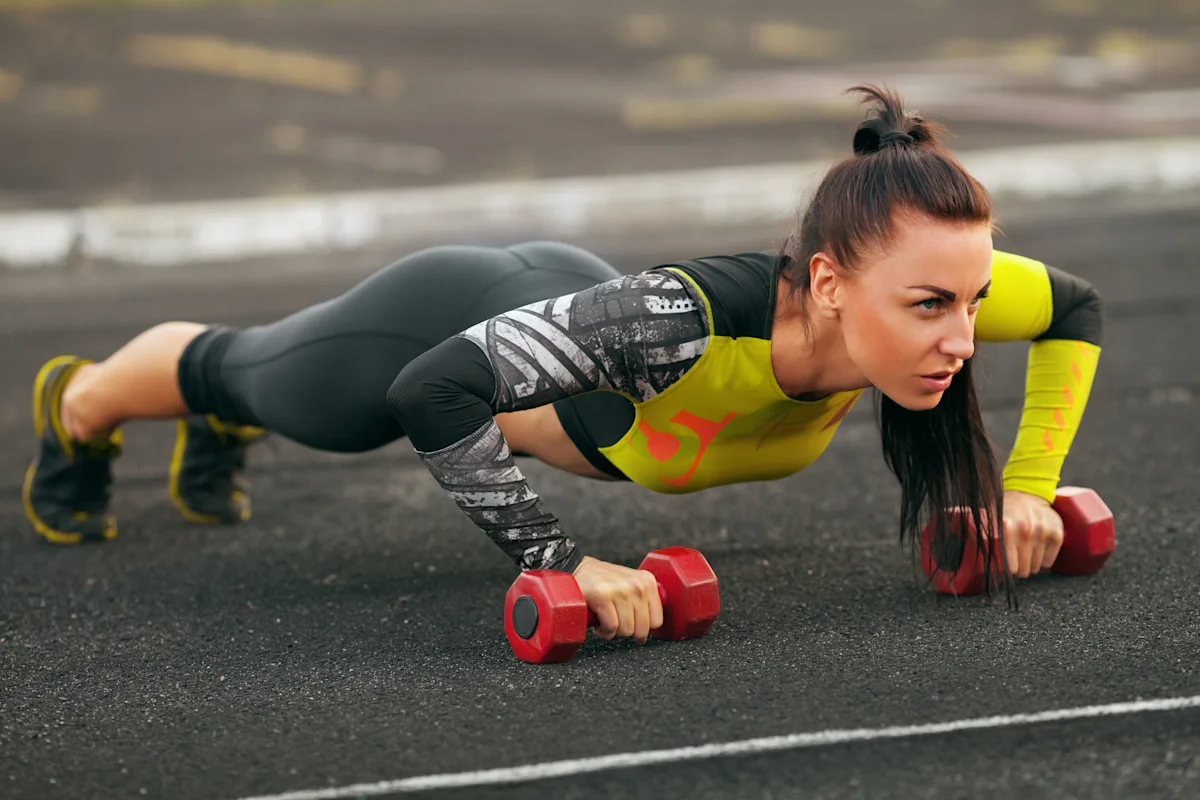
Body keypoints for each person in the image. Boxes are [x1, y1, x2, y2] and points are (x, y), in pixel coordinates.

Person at [23, 85, 1102, 644]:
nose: (962, 336)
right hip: (452, 315)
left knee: (265, 395)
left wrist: (1025, 486)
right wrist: (558, 558)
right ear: (828, 285)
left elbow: (1076, 308)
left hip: (573, 303)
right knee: (255, 374)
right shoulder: (676, 324)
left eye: (969, 301)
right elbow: (433, 388)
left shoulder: (927, 279)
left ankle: (219, 425)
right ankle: (78, 404)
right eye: (931, 307)